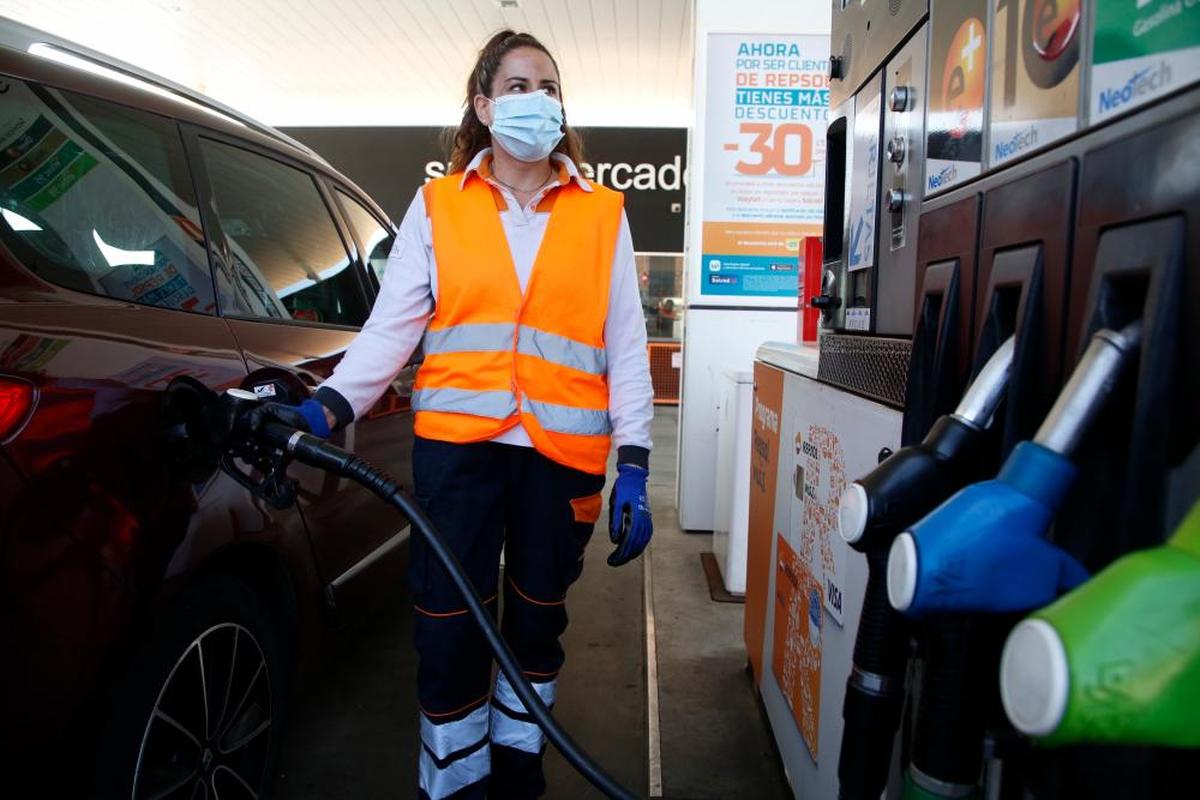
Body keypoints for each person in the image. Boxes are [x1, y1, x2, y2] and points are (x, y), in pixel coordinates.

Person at [254, 29, 655, 800]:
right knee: (447, 627)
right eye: (516, 86)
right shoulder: (440, 204)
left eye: (547, 85)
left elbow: (627, 348)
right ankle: (455, 782)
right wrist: (327, 405)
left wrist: (634, 462)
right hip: (456, 455)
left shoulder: (602, 213)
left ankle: (517, 769)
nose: (535, 100)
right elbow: (392, 331)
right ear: (483, 103)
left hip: (559, 458)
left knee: (537, 626)